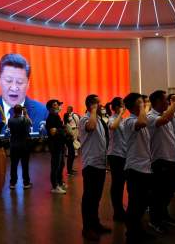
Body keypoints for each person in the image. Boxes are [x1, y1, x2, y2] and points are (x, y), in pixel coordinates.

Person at [147, 90, 175, 233]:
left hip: (171, 158)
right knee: (158, 193)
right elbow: (164, 120)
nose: (168, 102)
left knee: (168, 192)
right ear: (159, 102)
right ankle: (155, 221)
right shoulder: (150, 117)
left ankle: (164, 216)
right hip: (160, 160)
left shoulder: (165, 115)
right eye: (166, 100)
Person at [123, 92, 154, 243]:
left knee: (142, 203)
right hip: (135, 169)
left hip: (145, 167)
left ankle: (138, 231)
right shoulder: (129, 121)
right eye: (141, 102)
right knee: (135, 204)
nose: (145, 103)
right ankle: (132, 235)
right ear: (135, 105)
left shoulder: (140, 118)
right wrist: (143, 106)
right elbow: (142, 122)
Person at [80, 94, 111, 241]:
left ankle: (95, 223)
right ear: (92, 105)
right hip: (91, 164)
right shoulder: (85, 119)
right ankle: (87, 228)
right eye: (98, 104)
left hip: (100, 163)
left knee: (96, 197)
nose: (102, 105)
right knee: (89, 198)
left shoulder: (99, 120)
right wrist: (93, 110)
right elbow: (90, 128)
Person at [107, 97, 126, 222]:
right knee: (117, 185)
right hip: (115, 155)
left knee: (122, 184)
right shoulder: (112, 119)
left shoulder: (123, 120)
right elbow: (113, 127)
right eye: (122, 105)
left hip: (124, 155)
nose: (124, 107)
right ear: (116, 108)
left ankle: (121, 210)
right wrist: (120, 114)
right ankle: (117, 211)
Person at [8, 104, 33, 189]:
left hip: (14, 145)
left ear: (14, 111)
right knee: (25, 165)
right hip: (24, 145)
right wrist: (26, 114)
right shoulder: (25, 119)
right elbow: (31, 123)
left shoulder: (10, 120)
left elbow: (10, 128)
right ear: (21, 111)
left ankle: (12, 183)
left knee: (13, 165)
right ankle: (26, 183)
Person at [46, 99, 67, 194]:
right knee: (55, 165)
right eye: (55, 105)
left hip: (60, 144)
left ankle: (59, 182)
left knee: (61, 164)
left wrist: (61, 129)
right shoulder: (51, 118)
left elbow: (57, 130)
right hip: (55, 145)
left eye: (58, 104)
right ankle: (55, 186)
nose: (58, 106)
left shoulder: (57, 116)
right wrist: (63, 130)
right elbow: (52, 132)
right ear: (50, 108)